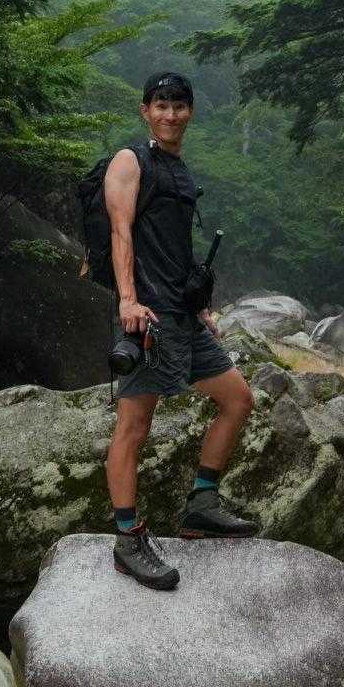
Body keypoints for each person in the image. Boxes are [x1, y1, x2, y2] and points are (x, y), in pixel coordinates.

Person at [105, 71, 257, 589]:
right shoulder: (131, 161)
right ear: (145, 110)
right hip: (147, 316)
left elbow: (174, 246)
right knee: (134, 427)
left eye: (179, 106)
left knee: (237, 400)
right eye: (161, 106)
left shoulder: (180, 171)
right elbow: (120, 231)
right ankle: (127, 539)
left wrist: (200, 306)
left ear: (190, 111)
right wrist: (127, 299)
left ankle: (201, 505)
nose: (170, 115)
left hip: (183, 316)